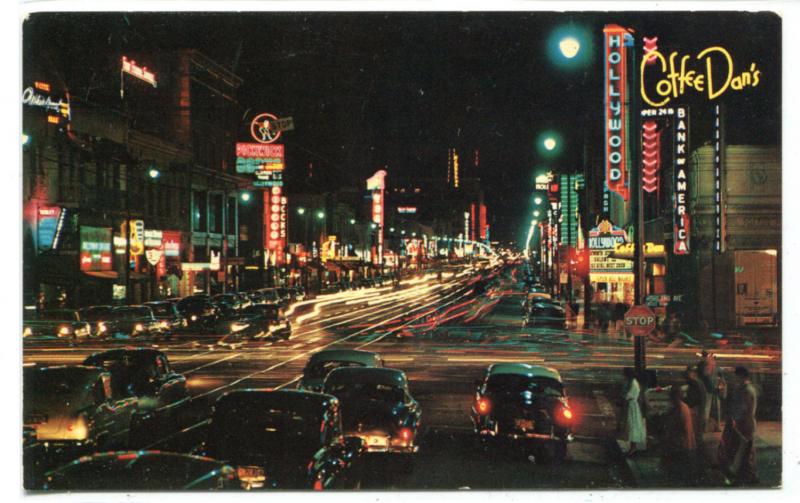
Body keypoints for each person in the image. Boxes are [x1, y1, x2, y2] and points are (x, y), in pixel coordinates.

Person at [720, 366, 758, 485]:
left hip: (744, 425)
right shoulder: (742, 389)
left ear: (742, 376)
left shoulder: (747, 390)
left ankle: (748, 477)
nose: (735, 378)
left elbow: (742, 409)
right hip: (742, 425)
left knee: (744, 452)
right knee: (743, 452)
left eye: (736, 376)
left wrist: (733, 419)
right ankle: (746, 476)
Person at [662, 384, 697, 485]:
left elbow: (678, 428)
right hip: (684, 443)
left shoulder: (680, 409)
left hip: (681, 444)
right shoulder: (683, 407)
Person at [684, 365, 708, 457]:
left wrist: (684, 400)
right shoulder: (698, 383)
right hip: (698, 411)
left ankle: (698, 455)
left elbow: (694, 399)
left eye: (689, 373)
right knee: (697, 434)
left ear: (693, 373)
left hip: (696, 411)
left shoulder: (695, 383)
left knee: (696, 434)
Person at [621, 367, 647, 454]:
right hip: (631, 405)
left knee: (632, 425)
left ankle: (633, 447)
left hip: (632, 406)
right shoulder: (632, 382)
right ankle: (632, 446)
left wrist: (624, 397)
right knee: (631, 425)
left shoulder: (633, 383)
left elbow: (629, 395)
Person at [699, 352, 727, 432]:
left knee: (708, 409)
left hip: (711, 390)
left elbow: (706, 377)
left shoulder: (707, 367)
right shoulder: (710, 367)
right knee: (711, 409)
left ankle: (708, 427)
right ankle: (711, 427)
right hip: (712, 390)